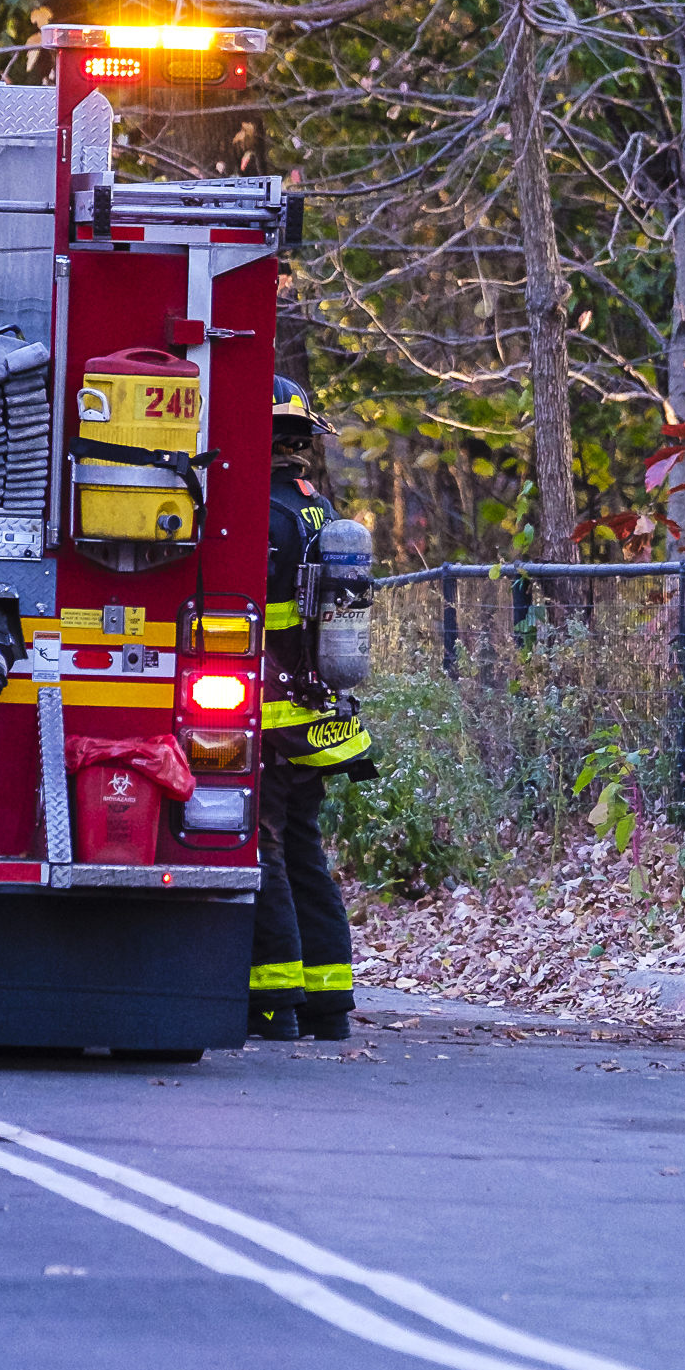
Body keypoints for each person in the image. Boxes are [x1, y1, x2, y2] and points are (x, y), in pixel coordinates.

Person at [248, 377, 376, 1042]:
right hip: (318, 714)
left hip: (268, 718)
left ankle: (275, 1001)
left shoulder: (255, 516)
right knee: (302, 847)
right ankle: (330, 1001)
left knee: (262, 845)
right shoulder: (321, 510)